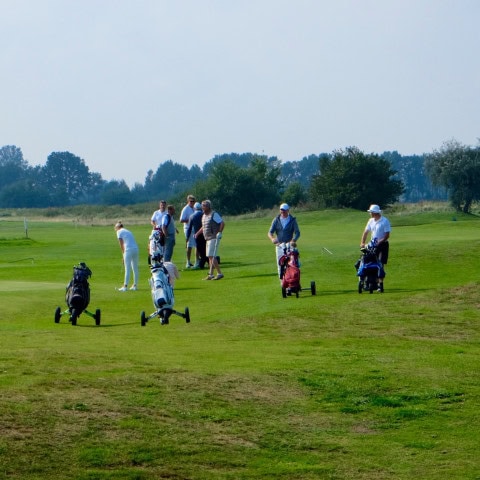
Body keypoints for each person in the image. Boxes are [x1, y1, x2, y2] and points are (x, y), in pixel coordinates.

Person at [360, 204, 391, 292]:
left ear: (375, 212)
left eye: (371, 212)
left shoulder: (385, 221)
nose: (370, 214)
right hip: (372, 245)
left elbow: (387, 235)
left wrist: (379, 242)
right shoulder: (370, 221)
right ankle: (369, 282)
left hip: (383, 245)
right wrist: (362, 242)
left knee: (380, 264)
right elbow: (366, 232)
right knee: (368, 261)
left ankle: (380, 284)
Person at [268, 203, 300, 278]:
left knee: (293, 264)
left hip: (290, 245)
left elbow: (297, 232)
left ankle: (293, 280)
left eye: (284, 211)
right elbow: (270, 232)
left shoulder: (292, 220)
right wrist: (272, 239)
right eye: (281, 210)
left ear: (288, 210)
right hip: (279, 245)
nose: (282, 212)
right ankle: (283, 284)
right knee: (280, 266)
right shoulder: (276, 220)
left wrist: (294, 240)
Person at [197, 199, 225, 280]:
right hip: (207, 237)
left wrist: (219, 232)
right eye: (202, 205)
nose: (203, 207)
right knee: (209, 256)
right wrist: (197, 233)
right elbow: (204, 226)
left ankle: (219, 273)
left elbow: (222, 223)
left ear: (209, 207)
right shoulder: (204, 216)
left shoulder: (213, 214)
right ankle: (211, 274)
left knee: (211, 255)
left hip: (213, 237)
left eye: (205, 205)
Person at [114, 221, 139, 291]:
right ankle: (135, 286)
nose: (115, 229)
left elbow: (121, 244)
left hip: (128, 250)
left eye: (115, 228)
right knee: (135, 268)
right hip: (135, 249)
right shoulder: (127, 231)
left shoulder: (119, 232)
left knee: (127, 268)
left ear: (118, 227)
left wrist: (123, 254)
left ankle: (125, 287)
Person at [187, 202, 207, 269]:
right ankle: (204, 262)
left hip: (197, 235)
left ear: (194, 208)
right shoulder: (203, 214)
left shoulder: (192, 216)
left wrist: (187, 237)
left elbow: (189, 228)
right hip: (204, 234)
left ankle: (199, 263)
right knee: (204, 248)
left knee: (199, 249)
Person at [179, 194, 197, 268]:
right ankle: (188, 262)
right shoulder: (185, 209)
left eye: (193, 201)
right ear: (188, 201)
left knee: (196, 245)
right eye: (191, 201)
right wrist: (190, 220)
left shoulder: (195, 208)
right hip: (188, 229)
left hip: (195, 229)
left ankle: (197, 261)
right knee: (189, 246)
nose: (192, 203)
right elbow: (181, 220)